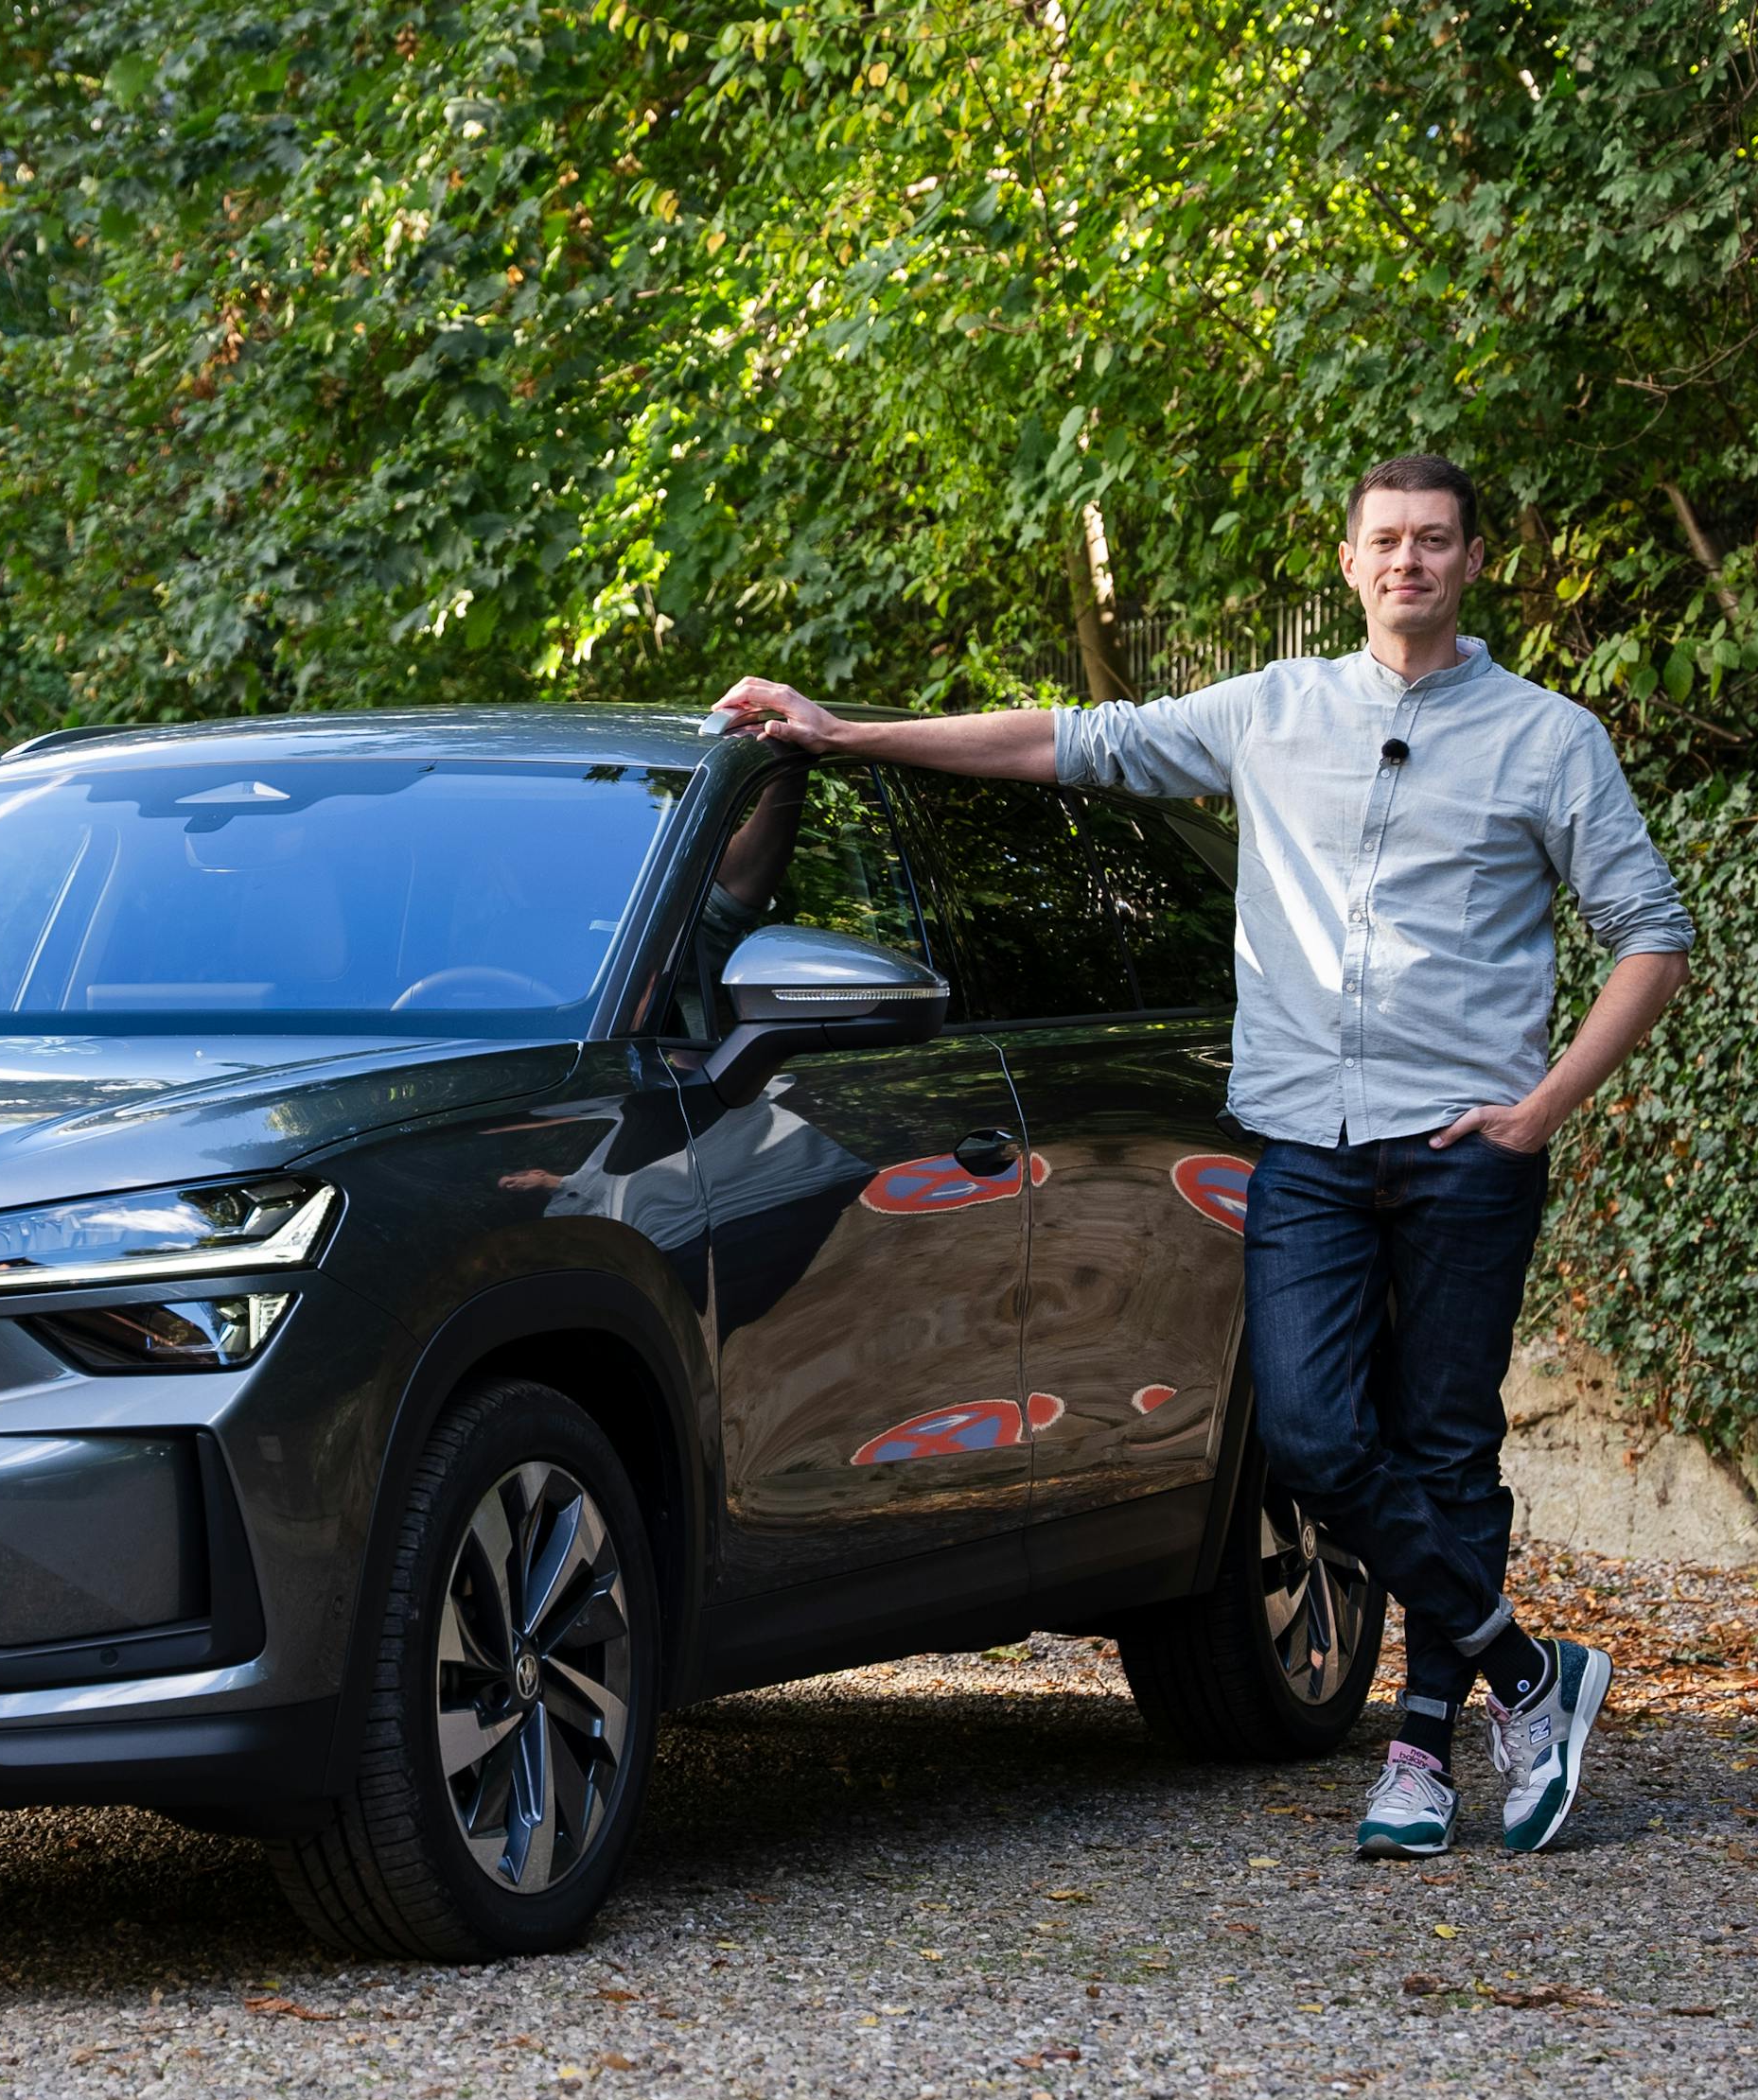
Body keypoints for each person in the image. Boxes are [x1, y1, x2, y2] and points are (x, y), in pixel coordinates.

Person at [707, 453, 1695, 1858]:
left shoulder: (1548, 740)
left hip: (1468, 1146)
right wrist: (847, 737)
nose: (1407, 561)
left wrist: (1540, 1109)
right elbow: (1066, 741)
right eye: (1385, 541)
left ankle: (1421, 1752)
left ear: (1475, 562)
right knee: (1309, 1434)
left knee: (1449, 1447)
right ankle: (1531, 1673)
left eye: (1434, 540)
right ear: (1347, 564)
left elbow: (1650, 934)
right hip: (1304, 1144)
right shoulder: (1270, 713)